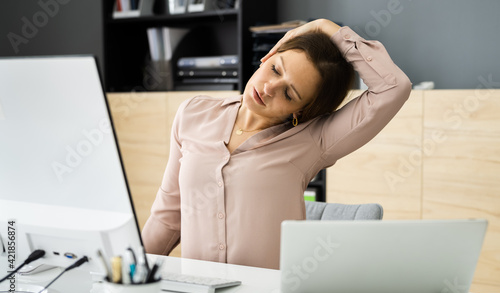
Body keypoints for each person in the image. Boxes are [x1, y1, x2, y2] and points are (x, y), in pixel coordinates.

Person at [142, 19, 412, 269]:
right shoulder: (192, 113)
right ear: (268, 56)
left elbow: (394, 87)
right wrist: (129, 277)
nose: (269, 88)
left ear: (300, 111)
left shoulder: (313, 141)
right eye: (275, 69)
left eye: (288, 93)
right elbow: (168, 218)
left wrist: (325, 26)